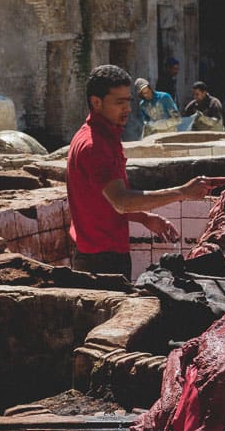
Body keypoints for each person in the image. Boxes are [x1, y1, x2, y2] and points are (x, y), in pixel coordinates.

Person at [66, 65, 212, 280]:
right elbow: (121, 201)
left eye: (128, 101)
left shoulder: (104, 135)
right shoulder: (94, 145)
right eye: (119, 102)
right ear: (96, 103)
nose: (127, 109)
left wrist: (143, 217)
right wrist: (182, 192)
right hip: (100, 258)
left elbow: (104, 199)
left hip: (98, 251)